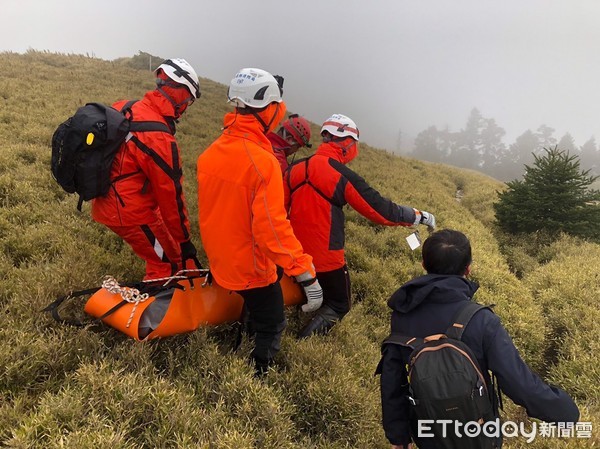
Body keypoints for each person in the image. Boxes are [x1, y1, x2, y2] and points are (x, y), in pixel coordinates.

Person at [378, 229, 580, 449]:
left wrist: (398, 437)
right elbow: (518, 382)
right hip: (479, 432)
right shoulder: (481, 320)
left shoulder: (402, 314)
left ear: (424, 265)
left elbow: (392, 379)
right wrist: (565, 412)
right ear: (468, 269)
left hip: (428, 433)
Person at [196, 68, 323, 375]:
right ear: (268, 109)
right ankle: (256, 376)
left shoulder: (212, 152)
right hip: (250, 268)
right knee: (272, 322)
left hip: (219, 261)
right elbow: (272, 232)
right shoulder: (262, 162)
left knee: (254, 307)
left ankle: (243, 340)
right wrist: (306, 274)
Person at [283, 114, 436, 338]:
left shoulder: (293, 168)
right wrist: (417, 216)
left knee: (301, 292)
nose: (355, 148)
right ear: (345, 142)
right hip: (326, 259)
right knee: (339, 304)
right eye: (354, 143)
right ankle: (302, 341)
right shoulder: (343, 176)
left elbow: (277, 210)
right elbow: (381, 210)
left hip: (291, 253)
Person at [91, 58, 201, 281]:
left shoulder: (125, 106)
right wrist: (185, 242)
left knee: (167, 247)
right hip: (128, 211)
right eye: (188, 100)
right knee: (168, 261)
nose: (186, 108)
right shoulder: (159, 138)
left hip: (107, 200)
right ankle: (152, 312)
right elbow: (171, 197)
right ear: (180, 93)